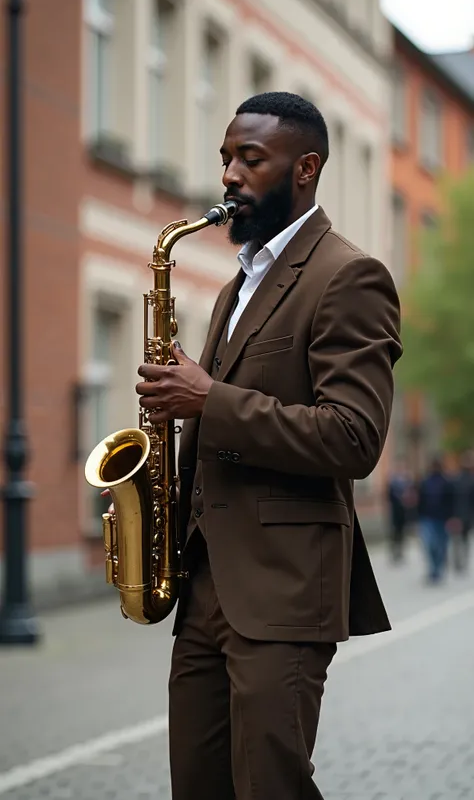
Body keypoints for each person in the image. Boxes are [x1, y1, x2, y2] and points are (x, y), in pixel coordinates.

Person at [135, 92, 403, 800]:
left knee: (270, 789)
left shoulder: (348, 276)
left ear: (305, 168)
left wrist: (207, 400)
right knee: (198, 787)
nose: (229, 174)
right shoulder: (237, 285)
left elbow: (354, 437)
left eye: (250, 158)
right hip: (204, 587)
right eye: (226, 157)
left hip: (283, 590)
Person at [417, 456, 454, 584]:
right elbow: (420, 501)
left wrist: (452, 518)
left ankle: (438, 569)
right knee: (429, 544)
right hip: (427, 518)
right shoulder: (425, 482)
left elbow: (451, 502)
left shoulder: (446, 482)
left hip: (443, 519)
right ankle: (433, 569)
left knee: (441, 545)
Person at [386, 459, 417, 562]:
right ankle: (395, 551)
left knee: (402, 531)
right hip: (395, 511)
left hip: (404, 511)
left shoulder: (408, 481)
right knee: (395, 531)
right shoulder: (393, 481)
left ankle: (401, 551)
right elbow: (389, 495)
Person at [449, 450, 474, 573]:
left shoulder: (456, 480)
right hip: (465, 515)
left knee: (458, 539)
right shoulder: (467, 480)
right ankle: (461, 561)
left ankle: (459, 561)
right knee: (462, 540)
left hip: (458, 515)